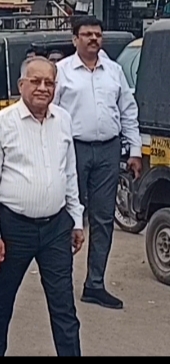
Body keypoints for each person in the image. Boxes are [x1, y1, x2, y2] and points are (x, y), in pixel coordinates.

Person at [0, 56, 84, 357]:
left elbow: (69, 172)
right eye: (35, 81)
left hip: (56, 228)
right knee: (0, 303)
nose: (42, 88)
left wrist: (76, 219)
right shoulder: (2, 123)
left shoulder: (63, 119)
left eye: (49, 82)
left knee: (64, 307)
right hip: (14, 228)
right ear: (21, 84)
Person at [54, 16, 141, 310]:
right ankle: (61, 282)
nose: (93, 39)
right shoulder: (62, 72)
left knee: (103, 218)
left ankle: (94, 284)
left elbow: (128, 110)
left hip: (108, 150)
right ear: (74, 38)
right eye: (87, 34)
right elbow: (51, 112)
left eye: (98, 34)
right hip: (73, 150)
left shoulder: (114, 71)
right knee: (69, 214)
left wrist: (135, 150)